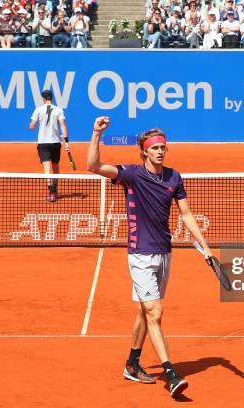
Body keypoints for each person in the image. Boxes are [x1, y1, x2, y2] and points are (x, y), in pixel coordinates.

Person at [87, 117, 213, 398]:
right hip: (140, 253)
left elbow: (187, 215)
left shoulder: (174, 177)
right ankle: (171, 373)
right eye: (155, 148)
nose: (160, 151)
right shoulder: (130, 174)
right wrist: (96, 134)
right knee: (155, 312)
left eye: (163, 148)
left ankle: (132, 364)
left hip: (164, 252)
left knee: (145, 311)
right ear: (144, 151)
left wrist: (205, 247)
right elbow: (93, 166)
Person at [28, 90, 69, 202]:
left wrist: (33, 123)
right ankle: (55, 192)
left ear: (43, 99)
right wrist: (66, 141)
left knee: (47, 169)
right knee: (55, 167)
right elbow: (63, 127)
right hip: (56, 143)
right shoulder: (59, 110)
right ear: (52, 98)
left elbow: (31, 126)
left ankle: (51, 193)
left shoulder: (38, 110)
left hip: (43, 143)